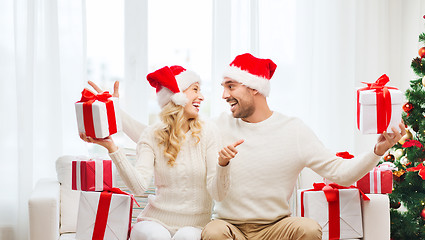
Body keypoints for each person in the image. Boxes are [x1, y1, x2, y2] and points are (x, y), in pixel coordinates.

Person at [94, 53, 406, 240]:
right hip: (228, 227)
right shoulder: (217, 125)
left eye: (231, 86)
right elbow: (158, 135)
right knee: (212, 233)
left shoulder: (293, 130)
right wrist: (113, 112)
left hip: (276, 226)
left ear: (254, 89)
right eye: (223, 87)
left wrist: (376, 150)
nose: (224, 94)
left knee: (309, 228)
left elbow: (341, 174)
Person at [81, 65, 243, 240]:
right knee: (156, 236)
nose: (202, 97)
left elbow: (218, 194)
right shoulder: (152, 135)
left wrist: (223, 165)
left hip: (194, 226)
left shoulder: (208, 132)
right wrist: (113, 148)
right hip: (154, 222)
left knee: (186, 237)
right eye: (195, 89)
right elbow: (139, 186)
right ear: (177, 96)